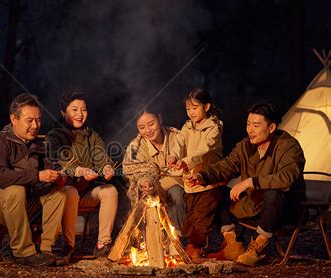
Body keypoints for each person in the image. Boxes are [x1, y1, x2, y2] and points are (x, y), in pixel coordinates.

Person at [185, 102, 306, 266]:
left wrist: (251, 182)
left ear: (271, 128)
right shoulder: (245, 146)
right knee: (217, 190)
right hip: (253, 206)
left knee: (274, 193)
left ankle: (258, 247)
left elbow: (288, 177)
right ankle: (232, 245)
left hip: (285, 210)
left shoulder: (288, 146)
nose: (250, 130)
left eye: (256, 125)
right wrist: (202, 175)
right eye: (248, 124)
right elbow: (226, 166)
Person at [0, 93, 78, 267]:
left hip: (21, 205)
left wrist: (61, 175)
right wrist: (38, 176)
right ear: (14, 119)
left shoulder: (36, 144)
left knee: (58, 194)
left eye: (38, 120)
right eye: (29, 121)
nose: (35, 126)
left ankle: (45, 250)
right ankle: (23, 252)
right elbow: (1, 177)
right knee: (15, 190)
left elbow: (51, 166)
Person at [46, 90, 118, 257]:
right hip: (62, 192)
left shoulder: (91, 135)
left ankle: (103, 243)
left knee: (110, 191)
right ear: (64, 112)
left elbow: (101, 156)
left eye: (83, 110)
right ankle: (68, 246)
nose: (80, 114)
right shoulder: (54, 136)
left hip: (85, 191)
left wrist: (106, 167)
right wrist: (79, 171)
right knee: (70, 192)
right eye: (74, 109)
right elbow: (57, 162)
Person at [169, 88, 225, 261]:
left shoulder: (213, 128)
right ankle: (191, 245)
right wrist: (175, 156)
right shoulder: (187, 126)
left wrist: (186, 161)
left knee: (202, 216)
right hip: (190, 181)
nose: (191, 112)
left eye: (195, 108)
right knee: (191, 215)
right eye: (188, 109)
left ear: (206, 107)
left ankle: (196, 247)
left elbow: (204, 150)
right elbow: (179, 141)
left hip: (209, 181)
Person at [122, 109, 186, 234]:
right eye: (142, 127)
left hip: (179, 184)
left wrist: (160, 185)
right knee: (143, 195)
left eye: (151, 124)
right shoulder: (135, 147)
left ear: (160, 119)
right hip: (151, 186)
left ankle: (178, 238)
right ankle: (150, 239)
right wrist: (145, 181)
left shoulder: (178, 137)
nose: (148, 130)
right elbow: (133, 171)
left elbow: (186, 168)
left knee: (176, 194)